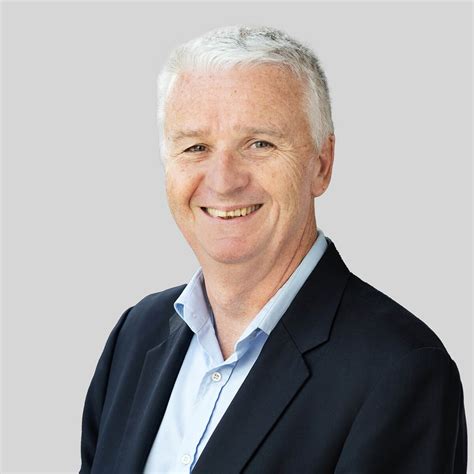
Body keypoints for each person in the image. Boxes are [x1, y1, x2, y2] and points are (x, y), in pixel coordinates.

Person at [80, 25, 468, 474]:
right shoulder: (135, 336)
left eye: (259, 144)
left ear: (321, 164)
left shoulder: (400, 370)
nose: (224, 180)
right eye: (196, 147)